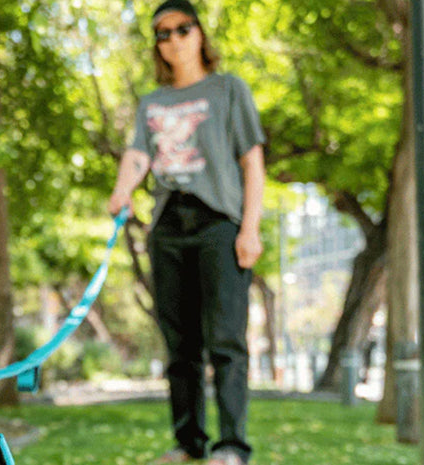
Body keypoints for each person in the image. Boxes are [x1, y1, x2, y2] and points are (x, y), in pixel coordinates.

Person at [106, 1, 266, 464]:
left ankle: (232, 445)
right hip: (168, 225)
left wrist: (249, 228)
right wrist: (122, 191)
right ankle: (189, 442)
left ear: (199, 33)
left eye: (182, 28)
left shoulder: (228, 88)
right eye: (162, 33)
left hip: (219, 222)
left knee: (227, 341)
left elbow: (251, 161)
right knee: (181, 346)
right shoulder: (152, 102)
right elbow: (139, 155)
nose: (173, 38)